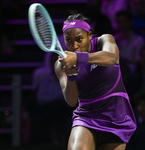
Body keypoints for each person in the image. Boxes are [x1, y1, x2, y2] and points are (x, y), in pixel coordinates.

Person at [54, 13, 136, 150]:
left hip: (116, 116)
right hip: (86, 116)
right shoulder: (61, 64)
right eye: (68, 40)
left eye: (79, 39)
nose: (74, 45)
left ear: (90, 35)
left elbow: (112, 58)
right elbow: (72, 101)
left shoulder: (104, 41)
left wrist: (78, 57)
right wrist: (71, 76)